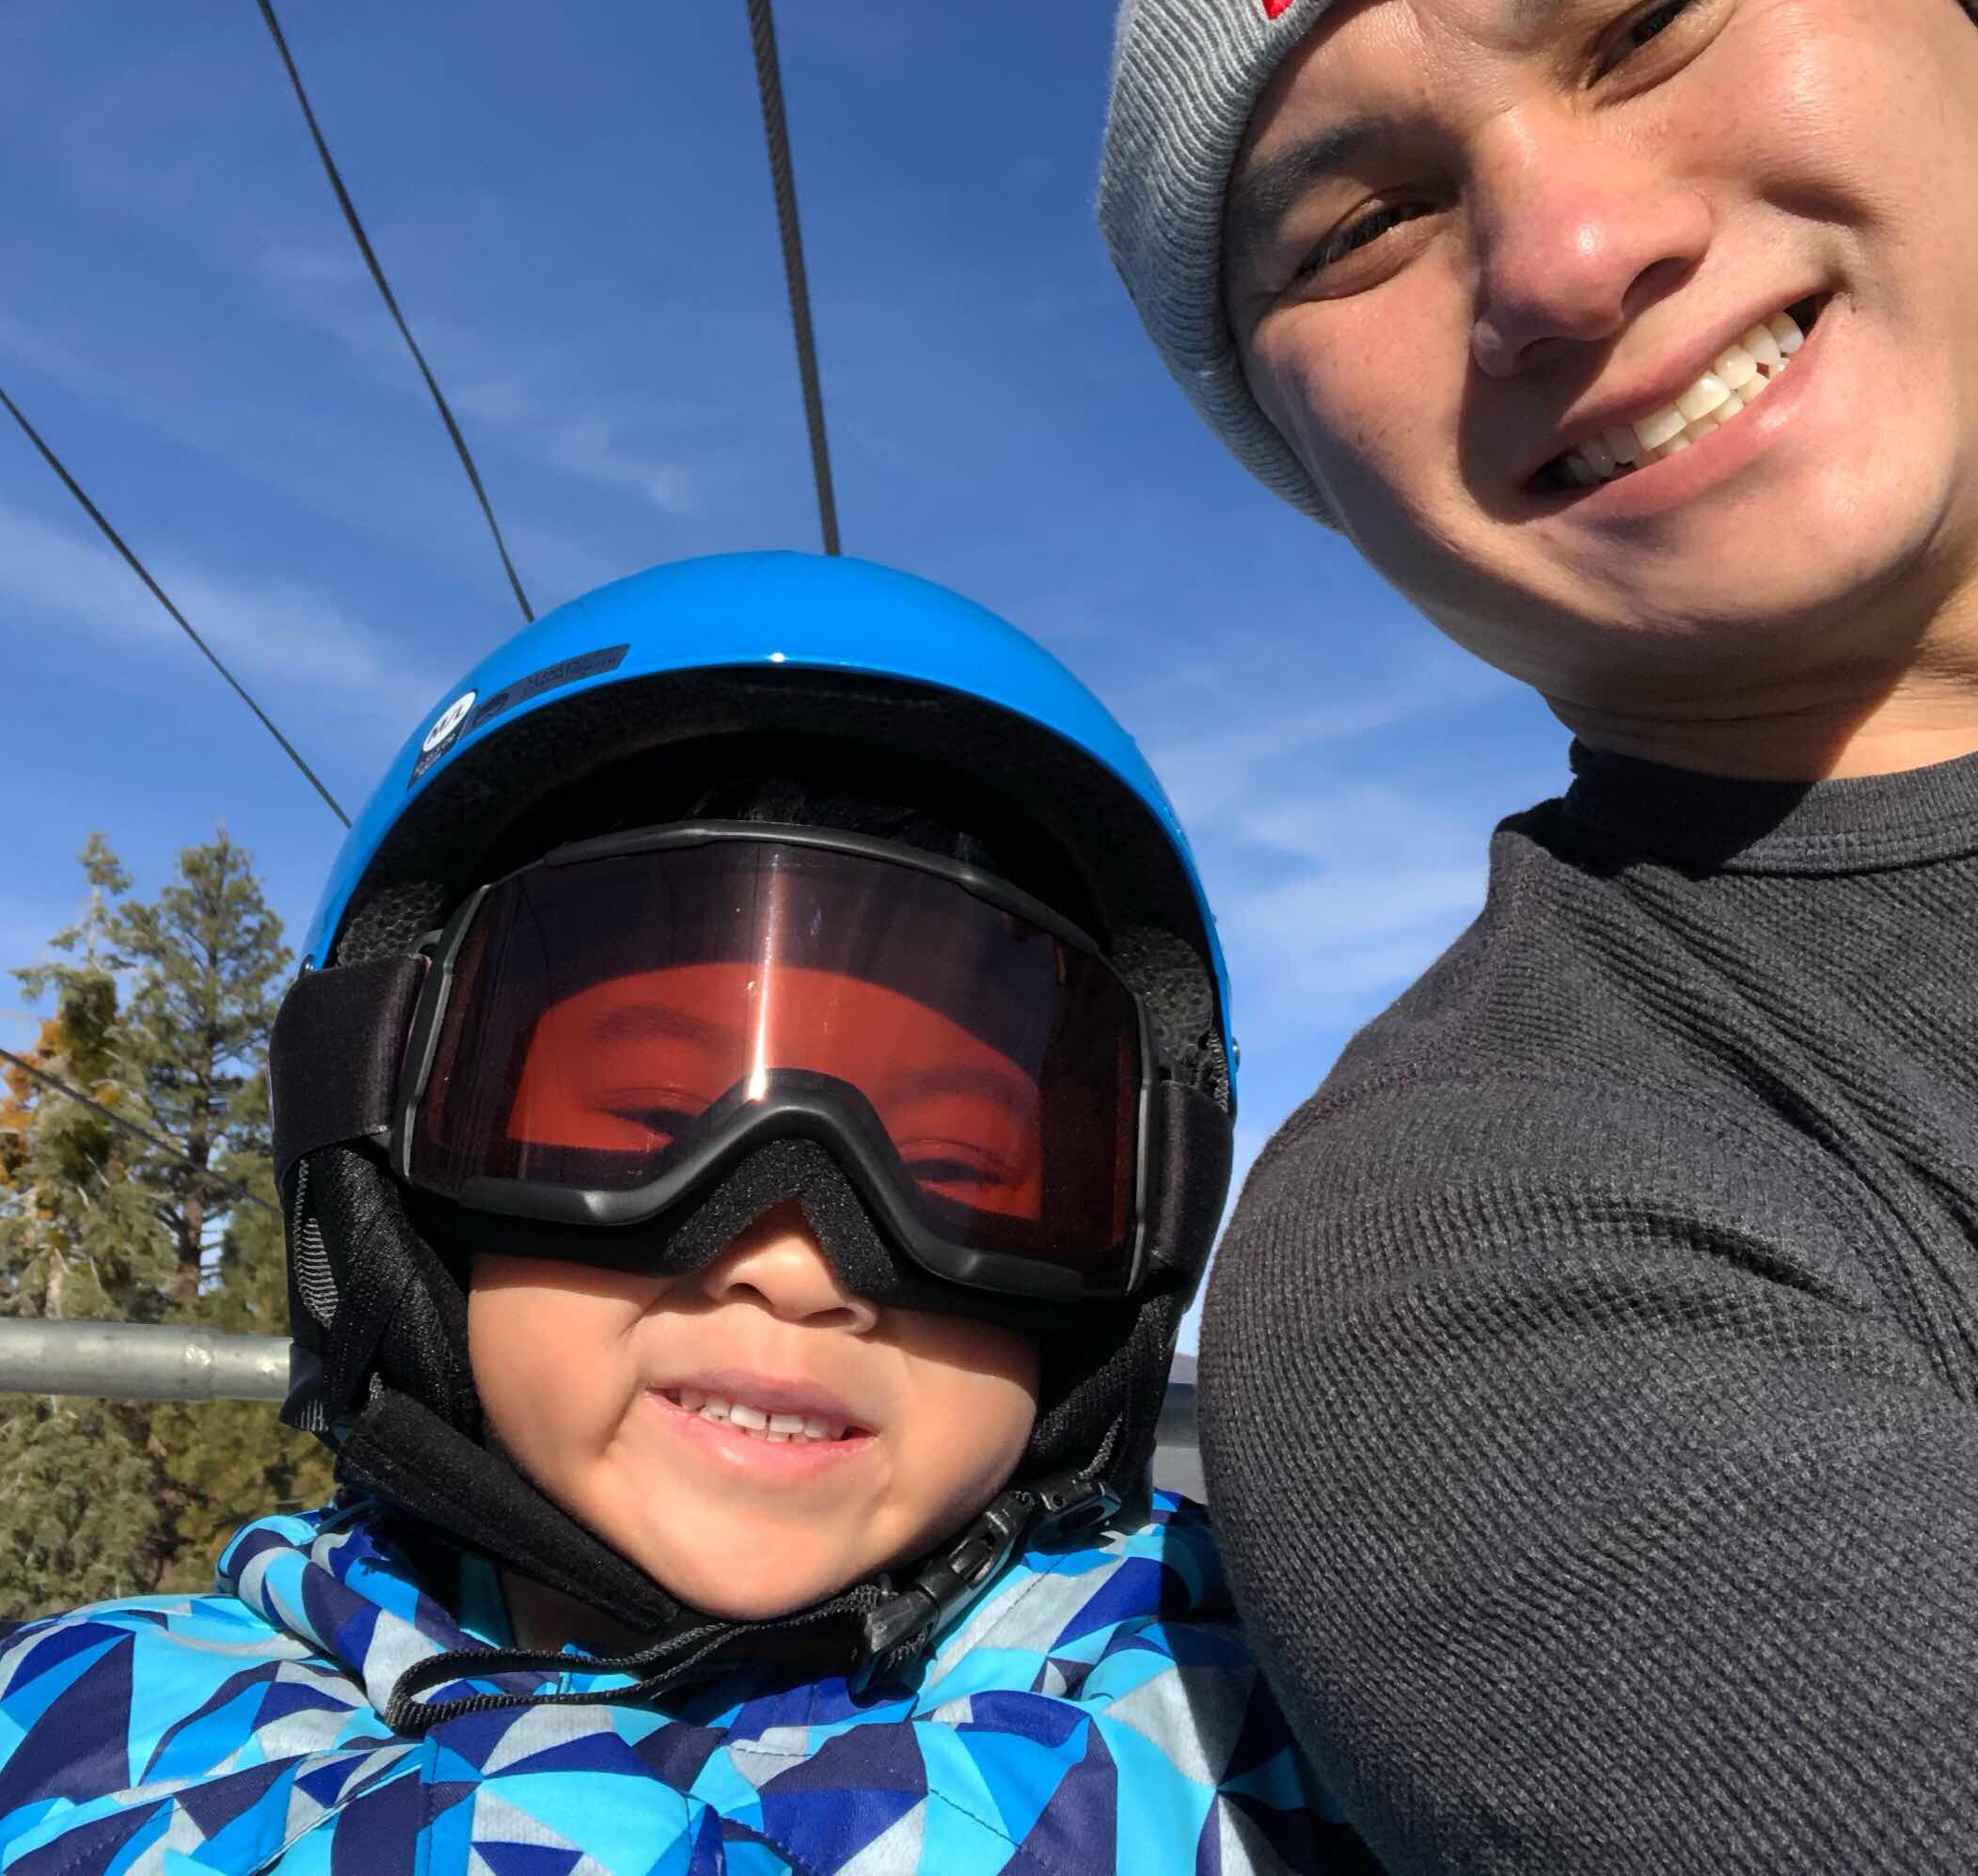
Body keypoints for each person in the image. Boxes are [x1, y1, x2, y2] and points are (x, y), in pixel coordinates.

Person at [1097, 0, 1978, 1868]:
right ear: (1309, 463)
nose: (1565, 255)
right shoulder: (1482, 1240)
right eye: (1358, 227)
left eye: (1656, 19)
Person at [0, 552, 1364, 1873]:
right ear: (388, 1182)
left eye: (961, 1173)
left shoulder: (1295, 1719)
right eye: (646, 1126)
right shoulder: (89, 1734)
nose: (795, 1264)